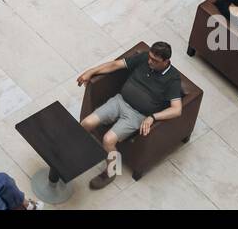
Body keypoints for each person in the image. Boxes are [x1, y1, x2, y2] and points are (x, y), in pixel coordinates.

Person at [76, 41, 185, 190]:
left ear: (166, 61)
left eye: (155, 60)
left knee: (108, 140)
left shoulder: (173, 79)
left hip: (137, 115)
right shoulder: (144, 58)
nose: (150, 61)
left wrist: (153, 117)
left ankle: (112, 171)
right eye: (150, 57)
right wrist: (91, 71)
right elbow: (115, 65)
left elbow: (176, 109)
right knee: (86, 123)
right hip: (120, 101)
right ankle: (76, 151)